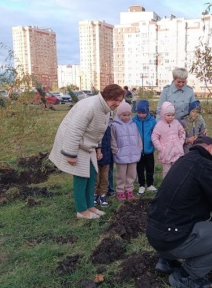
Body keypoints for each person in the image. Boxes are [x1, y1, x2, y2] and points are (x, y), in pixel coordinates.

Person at [146, 136, 212, 288]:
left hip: (155, 234)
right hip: (173, 238)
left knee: (187, 217)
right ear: (210, 148)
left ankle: (166, 261)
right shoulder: (204, 165)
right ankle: (186, 276)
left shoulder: (182, 162)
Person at [49, 84, 125, 219]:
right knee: (81, 176)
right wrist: (71, 154)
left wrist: (98, 149)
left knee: (92, 174)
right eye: (116, 100)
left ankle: (90, 206)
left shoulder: (105, 109)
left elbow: (99, 131)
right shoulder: (90, 106)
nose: (118, 104)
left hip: (87, 145)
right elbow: (74, 130)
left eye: (120, 100)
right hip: (74, 143)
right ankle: (82, 211)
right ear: (108, 97)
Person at [111, 102, 142, 201]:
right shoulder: (114, 125)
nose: (127, 117)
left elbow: (138, 137)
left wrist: (139, 148)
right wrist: (116, 151)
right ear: (119, 114)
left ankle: (129, 189)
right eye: (124, 115)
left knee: (131, 174)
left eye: (129, 115)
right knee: (121, 175)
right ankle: (120, 190)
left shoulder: (133, 124)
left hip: (133, 154)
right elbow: (113, 139)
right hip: (121, 155)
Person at [152, 101, 185, 178]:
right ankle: (166, 187)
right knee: (167, 172)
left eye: (172, 115)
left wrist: (180, 143)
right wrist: (161, 148)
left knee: (176, 170)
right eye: (168, 115)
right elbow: (154, 137)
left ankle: (176, 186)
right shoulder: (159, 125)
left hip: (177, 152)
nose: (171, 117)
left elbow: (182, 132)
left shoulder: (176, 123)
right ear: (163, 114)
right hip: (166, 153)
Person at [132, 99, 158, 195]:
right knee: (140, 168)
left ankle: (150, 184)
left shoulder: (152, 121)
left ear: (147, 111)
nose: (141, 115)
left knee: (150, 167)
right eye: (139, 112)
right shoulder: (134, 120)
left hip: (149, 149)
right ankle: (141, 185)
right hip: (138, 150)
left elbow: (155, 133)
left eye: (143, 113)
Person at [94, 123, 112, 207]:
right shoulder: (95, 127)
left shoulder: (108, 128)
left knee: (105, 177)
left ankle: (103, 194)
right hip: (95, 157)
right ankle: (95, 194)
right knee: (96, 177)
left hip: (107, 156)